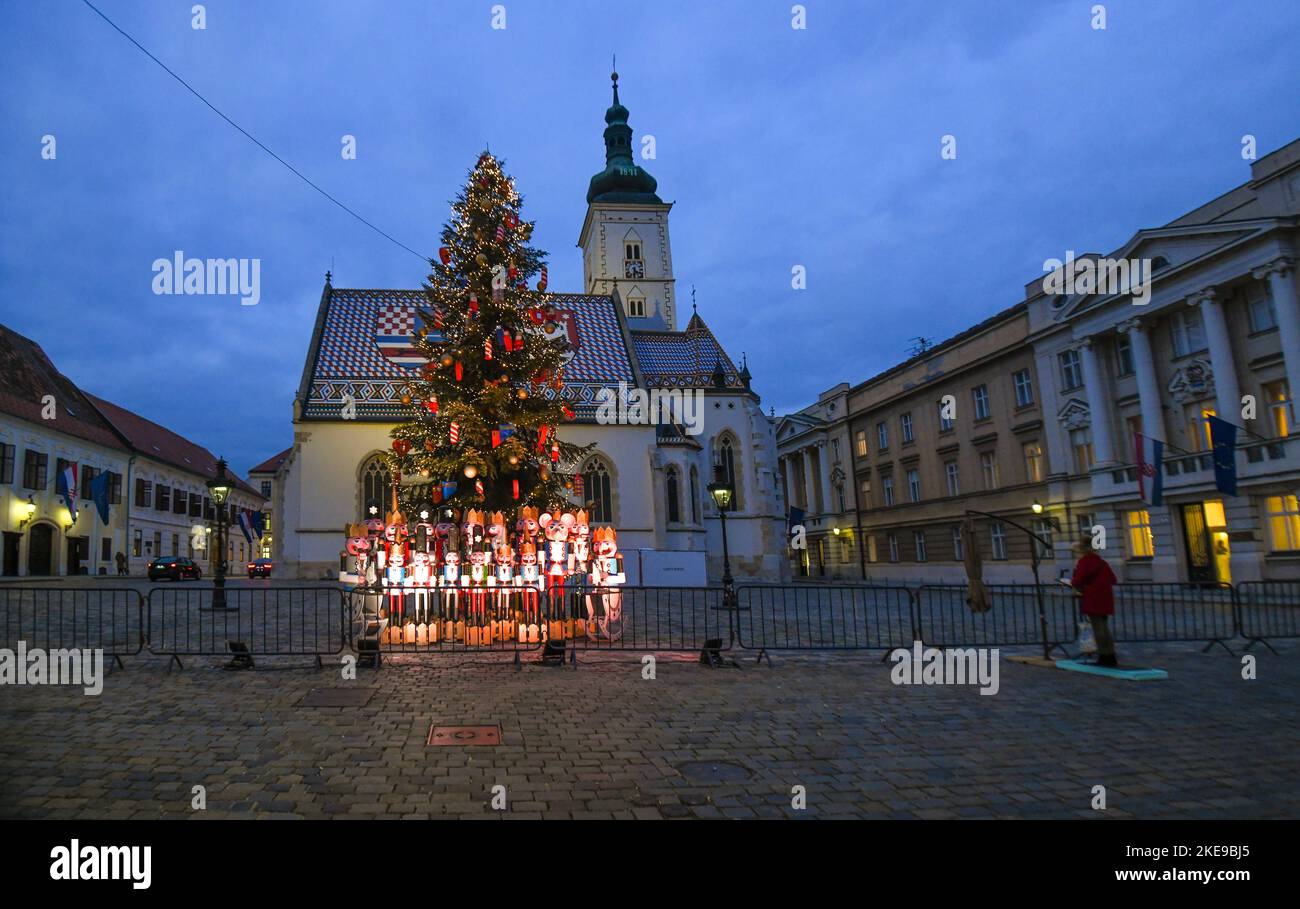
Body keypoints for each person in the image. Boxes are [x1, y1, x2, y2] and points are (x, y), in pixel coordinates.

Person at [1070, 539, 1118, 667]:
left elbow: (1077, 581)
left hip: (1092, 598)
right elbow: (1113, 579)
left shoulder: (1084, 562)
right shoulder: (1102, 562)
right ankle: (1111, 655)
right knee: (1105, 627)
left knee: (1098, 629)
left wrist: (1074, 581)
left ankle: (1104, 656)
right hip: (1105, 598)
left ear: (1081, 550)